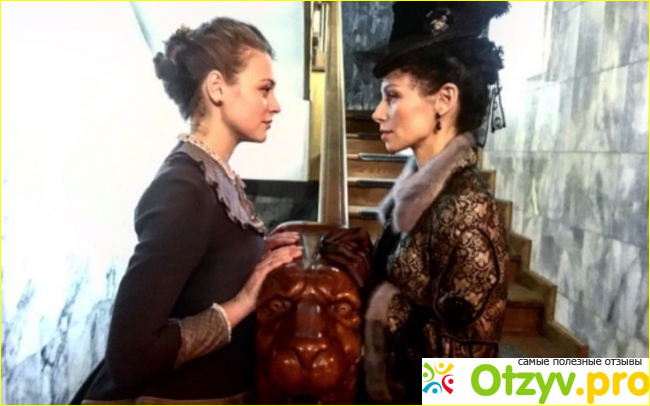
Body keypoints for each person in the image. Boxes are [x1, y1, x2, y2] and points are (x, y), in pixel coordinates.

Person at [78, 17, 302, 404]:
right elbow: (129, 357)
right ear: (217, 88)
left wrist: (256, 255)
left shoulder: (214, 174)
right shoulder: (183, 188)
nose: (276, 105)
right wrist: (242, 302)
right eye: (264, 89)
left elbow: (204, 269)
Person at [361, 2, 511, 403]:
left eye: (392, 96)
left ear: (444, 99)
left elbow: (467, 376)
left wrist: (380, 304)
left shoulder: (468, 210)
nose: (377, 113)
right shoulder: (420, 193)